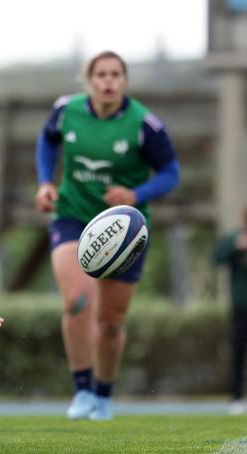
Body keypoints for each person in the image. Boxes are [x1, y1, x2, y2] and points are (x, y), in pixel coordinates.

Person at [34, 50, 180, 420]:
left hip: (127, 231)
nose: (108, 81)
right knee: (77, 302)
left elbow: (170, 173)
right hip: (72, 217)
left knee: (111, 322)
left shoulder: (144, 124)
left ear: (125, 81)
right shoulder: (66, 110)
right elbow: (47, 142)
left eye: (116, 74)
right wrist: (46, 182)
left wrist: (135, 195)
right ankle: (82, 390)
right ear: (90, 80)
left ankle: (103, 395)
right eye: (101, 74)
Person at [212, 207, 247, 415]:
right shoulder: (234, 237)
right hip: (241, 305)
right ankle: (236, 397)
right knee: (238, 352)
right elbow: (216, 257)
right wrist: (236, 248)